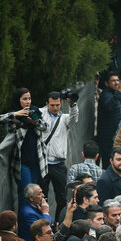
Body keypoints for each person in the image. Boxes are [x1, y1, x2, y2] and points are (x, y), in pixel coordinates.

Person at [39, 91, 79, 220]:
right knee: (41, 197)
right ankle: (42, 224)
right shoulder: (39, 114)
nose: (55, 108)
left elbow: (74, 117)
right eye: (52, 105)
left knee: (61, 198)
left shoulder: (65, 119)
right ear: (47, 104)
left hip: (58, 164)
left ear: (61, 103)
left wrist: (73, 105)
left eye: (57, 105)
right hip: (42, 164)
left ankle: (59, 223)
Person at [97, 72, 121, 163]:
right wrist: (119, 92)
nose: (116, 83)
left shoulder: (114, 93)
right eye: (113, 81)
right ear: (107, 83)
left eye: (118, 80)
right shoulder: (106, 94)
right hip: (107, 138)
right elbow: (109, 107)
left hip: (115, 135)